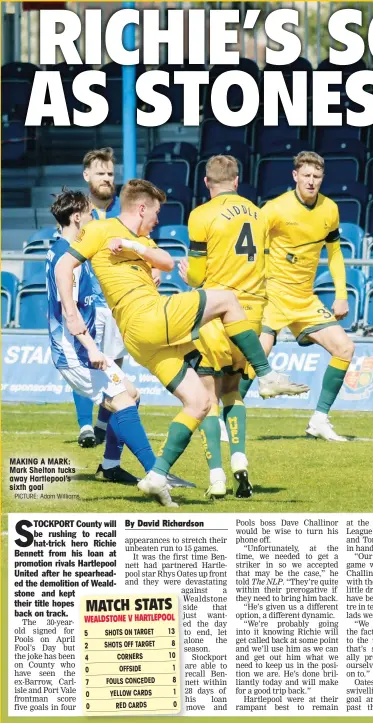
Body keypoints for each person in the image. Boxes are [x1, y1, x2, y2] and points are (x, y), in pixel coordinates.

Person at [54, 179, 284, 507]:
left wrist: (136, 248)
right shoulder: (101, 230)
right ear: (142, 208)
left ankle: (157, 476)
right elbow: (65, 266)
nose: (158, 220)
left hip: (143, 339)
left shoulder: (140, 239)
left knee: (200, 401)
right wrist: (73, 316)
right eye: (156, 212)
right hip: (147, 315)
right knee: (228, 300)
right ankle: (265, 375)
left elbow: (165, 261)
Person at [178, 155, 309, 499]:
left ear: (207, 183)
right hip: (251, 313)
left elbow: (196, 274)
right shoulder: (259, 214)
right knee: (232, 392)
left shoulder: (200, 215)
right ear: (237, 181)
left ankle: (217, 477)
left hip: (216, 313)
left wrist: (184, 275)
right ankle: (240, 463)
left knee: (206, 398)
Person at [46, 188, 184, 506]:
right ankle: (156, 474)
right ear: (77, 216)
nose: (96, 218)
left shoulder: (61, 249)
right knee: (122, 400)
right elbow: (69, 310)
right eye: (91, 213)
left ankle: (111, 466)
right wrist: (90, 347)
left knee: (131, 395)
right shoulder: (69, 257)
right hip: (75, 351)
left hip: (80, 347)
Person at [242, 151, 354, 442]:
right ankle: (228, 419)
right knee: (258, 352)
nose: (311, 181)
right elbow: (249, 245)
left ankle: (319, 420)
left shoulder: (329, 209)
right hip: (273, 294)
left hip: (305, 298)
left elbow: (336, 253)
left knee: (344, 348)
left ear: (322, 178)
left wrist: (341, 294)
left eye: (316, 176)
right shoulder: (275, 209)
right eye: (306, 175)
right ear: (295, 176)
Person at [73, 147, 126, 448]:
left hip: (118, 302)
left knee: (115, 365)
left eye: (110, 174)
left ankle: (101, 424)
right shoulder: (77, 212)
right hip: (88, 303)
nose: (106, 178)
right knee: (85, 363)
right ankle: (85, 426)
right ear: (87, 175)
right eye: (100, 173)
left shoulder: (124, 209)